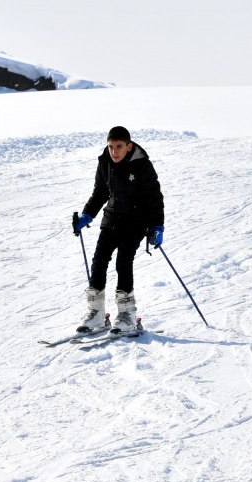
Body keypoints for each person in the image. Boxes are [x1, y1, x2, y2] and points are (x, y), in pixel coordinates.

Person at [72, 126, 165, 334]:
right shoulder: (105, 162)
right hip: (112, 217)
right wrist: (87, 215)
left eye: (119, 147)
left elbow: (154, 197)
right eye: (111, 147)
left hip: (136, 220)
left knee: (123, 261)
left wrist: (157, 226)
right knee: (99, 260)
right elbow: (100, 192)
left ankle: (127, 315)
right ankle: (95, 313)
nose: (114, 152)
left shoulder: (142, 165)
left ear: (128, 146)